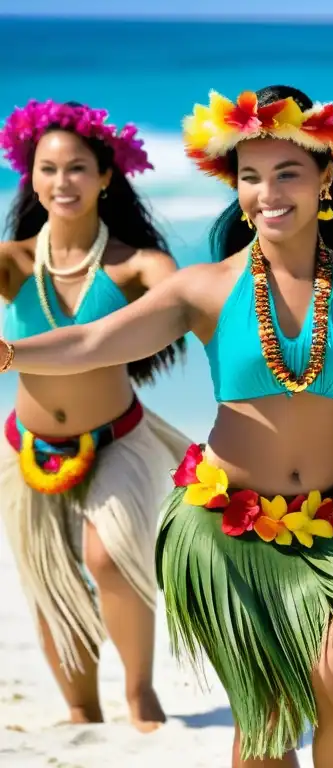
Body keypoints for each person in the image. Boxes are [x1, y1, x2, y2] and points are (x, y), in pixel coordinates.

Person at [0, 85, 333, 767]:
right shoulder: (205, 287)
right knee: (265, 721)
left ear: (327, 178)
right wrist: (12, 351)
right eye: (250, 176)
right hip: (227, 530)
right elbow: (95, 343)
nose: (267, 193)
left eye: (288, 173)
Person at [0, 99, 190, 731]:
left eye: (78, 168)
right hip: (27, 444)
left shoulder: (136, 265)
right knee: (52, 582)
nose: (62, 183)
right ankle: (81, 708)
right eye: (47, 169)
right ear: (30, 177)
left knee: (109, 558)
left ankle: (139, 693)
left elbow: (186, 300)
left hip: (118, 440)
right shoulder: (16, 261)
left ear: (107, 176)